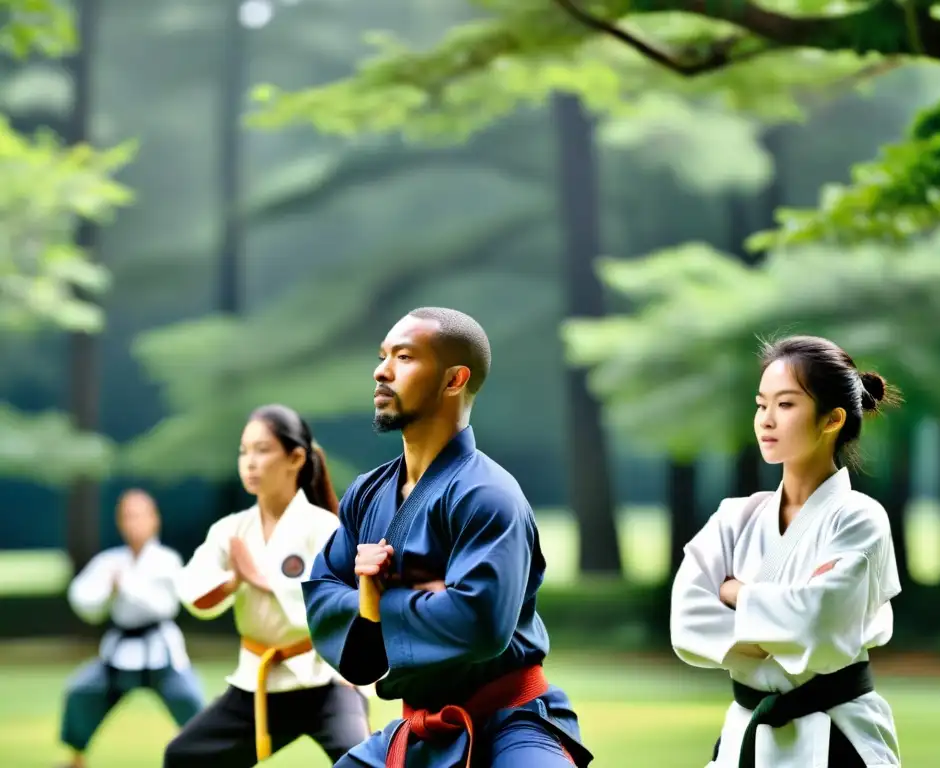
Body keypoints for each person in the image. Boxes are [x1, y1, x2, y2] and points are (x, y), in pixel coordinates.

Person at [302, 307, 593, 768]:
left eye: (404, 357)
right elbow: (323, 593)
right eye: (383, 357)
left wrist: (380, 605)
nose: (382, 371)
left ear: (454, 379)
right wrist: (406, 599)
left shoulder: (489, 494)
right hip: (418, 730)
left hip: (511, 724)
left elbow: (480, 623)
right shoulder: (366, 493)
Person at [670, 335, 903, 768]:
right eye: (761, 404)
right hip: (745, 732)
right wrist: (782, 628)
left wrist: (737, 594)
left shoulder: (859, 518)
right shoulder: (735, 517)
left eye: (786, 404)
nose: (766, 419)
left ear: (832, 419)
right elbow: (686, 620)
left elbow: (820, 621)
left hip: (838, 737)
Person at [164, 404, 370, 768]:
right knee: (183, 756)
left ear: (295, 458)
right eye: (244, 452)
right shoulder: (231, 530)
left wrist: (260, 578)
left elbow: (336, 603)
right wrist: (232, 582)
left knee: (362, 762)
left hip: (323, 680)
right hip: (259, 682)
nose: (250, 462)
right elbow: (192, 588)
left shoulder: (322, 527)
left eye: (262, 450)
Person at [58, 489, 204, 768]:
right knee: (81, 691)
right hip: (119, 651)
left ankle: (206, 756)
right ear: (120, 522)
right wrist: (107, 589)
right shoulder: (110, 561)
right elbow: (83, 601)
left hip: (161, 651)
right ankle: (75, 759)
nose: (134, 523)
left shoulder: (166, 560)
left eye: (139, 516)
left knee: (190, 700)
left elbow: (164, 605)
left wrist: (124, 585)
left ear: (154, 520)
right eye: (127, 516)